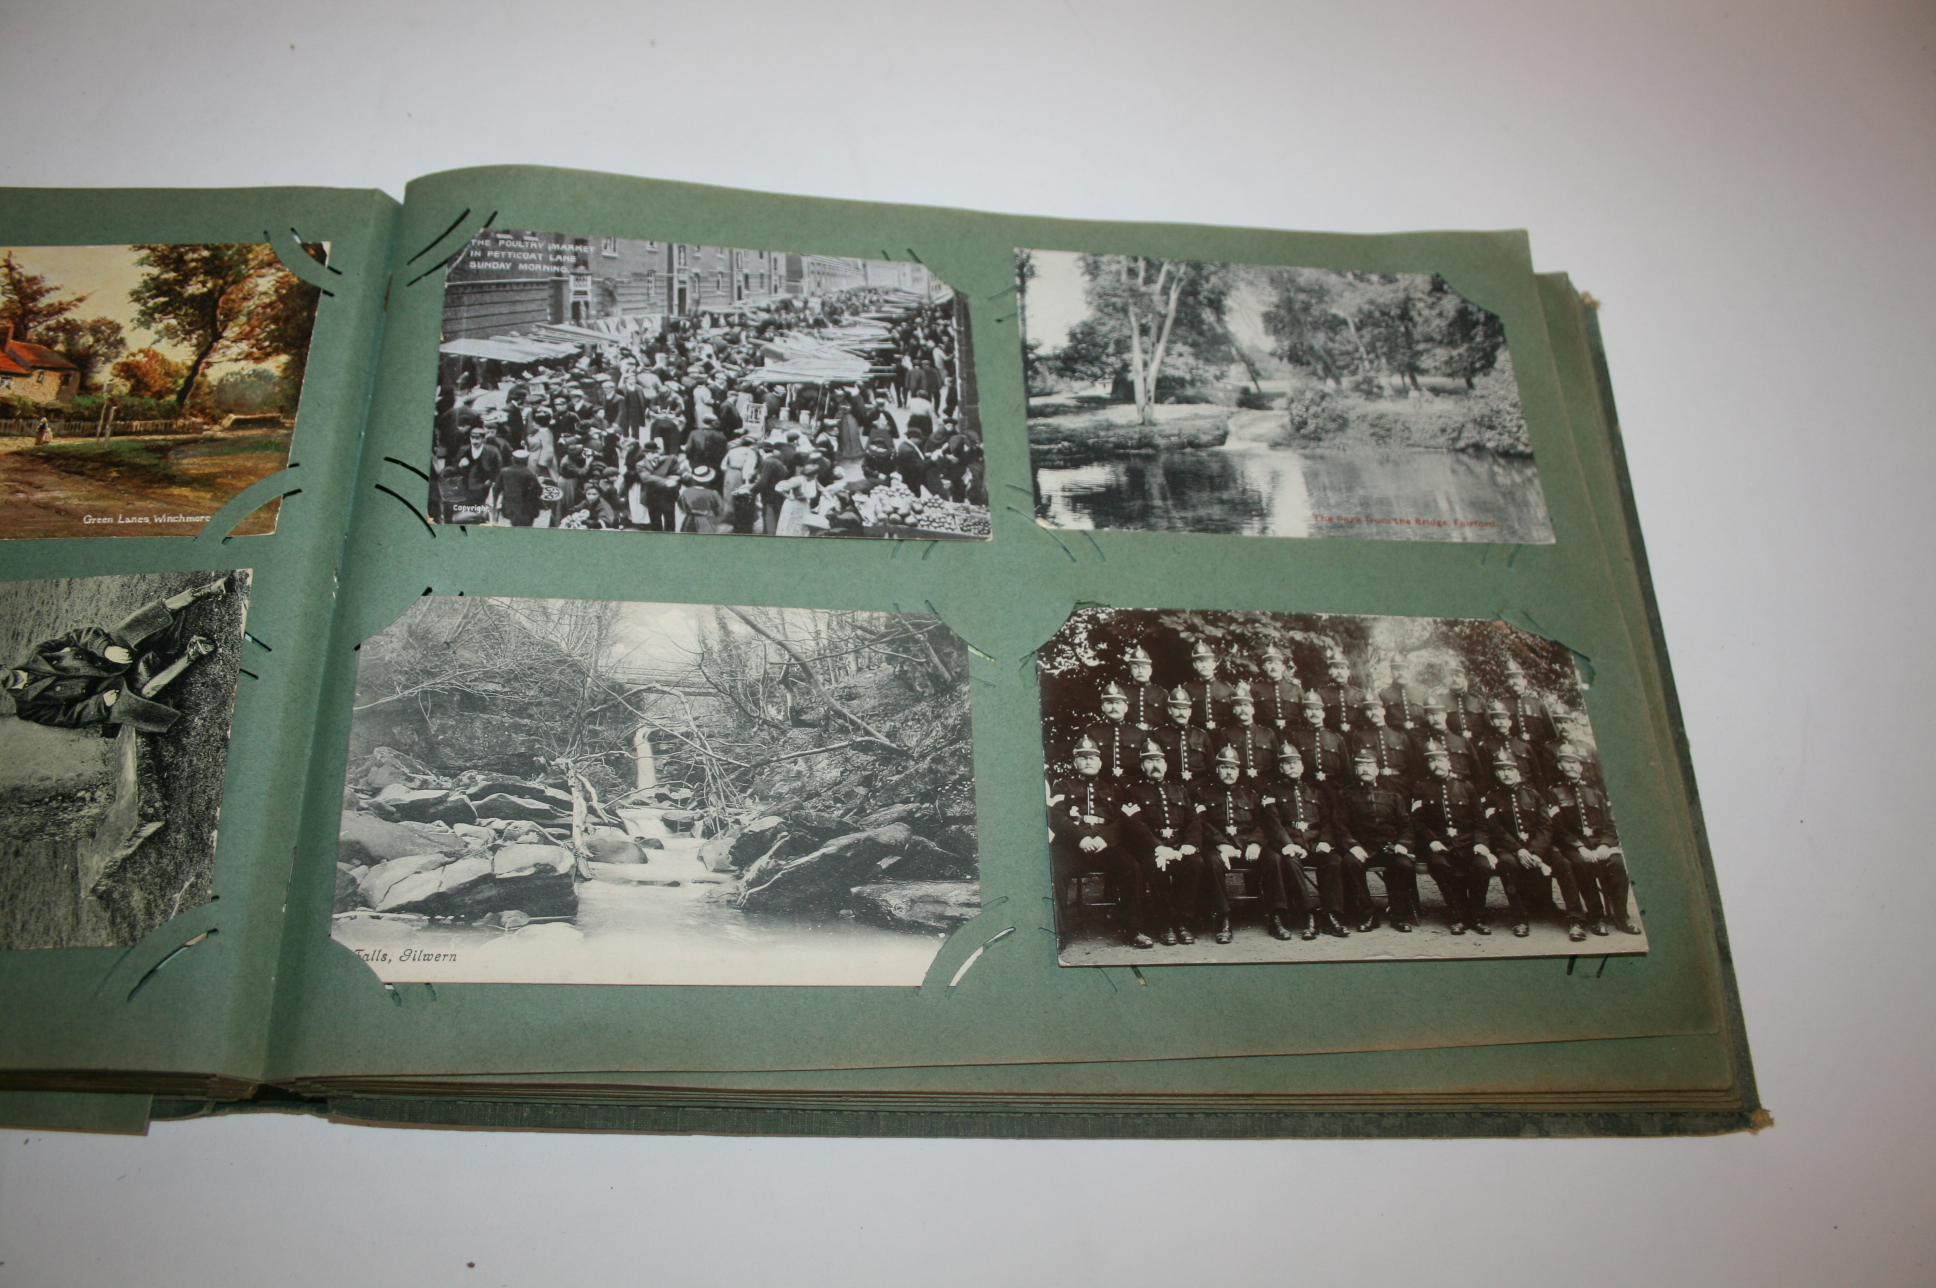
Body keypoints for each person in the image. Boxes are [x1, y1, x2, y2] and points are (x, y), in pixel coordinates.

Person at [3, 576, 229, 734]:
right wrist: (99, 703)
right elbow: (70, 717)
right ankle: (191, 655)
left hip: (108, 660)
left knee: (129, 629)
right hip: (106, 691)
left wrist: (105, 649)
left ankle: (202, 592)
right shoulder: (28, 708)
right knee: (135, 701)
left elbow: (78, 636)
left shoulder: (38, 655)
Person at [1048, 735, 1150, 949]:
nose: (1087, 761)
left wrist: (1105, 838)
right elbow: (1056, 817)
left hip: (1106, 848)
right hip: (1071, 846)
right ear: (1075, 762)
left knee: (1131, 867)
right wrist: (1081, 837)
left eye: (1092, 757)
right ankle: (1058, 932)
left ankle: (1134, 930)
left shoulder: (1114, 788)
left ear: (1100, 762)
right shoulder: (1062, 786)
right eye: (1082, 757)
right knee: (1054, 871)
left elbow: (1124, 821)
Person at [1116, 739, 1206, 948]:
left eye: (1158, 760)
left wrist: (1189, 844)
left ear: (1165, 764)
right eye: (1149, 761)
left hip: (1179, 845)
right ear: (1142, 766)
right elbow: (1135, 825)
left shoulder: (1180, 790)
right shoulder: (1133, 791)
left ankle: (1182, 922)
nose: (1155, 765)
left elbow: (1193, 820)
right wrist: (1158, 848)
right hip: (1151, 847)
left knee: (1195, 864)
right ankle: (1164, 924)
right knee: (1156, 867)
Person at [1547, 743, 1640, 937]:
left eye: (1575, 762)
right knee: (1581, 865)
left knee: (1616, 863)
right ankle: (1596, 917)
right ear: (1559, 766)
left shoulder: (1595, 793)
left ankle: (1622, 917)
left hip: (1599, 843)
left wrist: (1605, 845)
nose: (1571, 766)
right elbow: (1557, 829)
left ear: (1580, 767)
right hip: (1574, 844)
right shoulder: (1554, 793)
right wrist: (1580, 847)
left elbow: (1611, 826)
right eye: (1566, 762)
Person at [1329, 747, 1420, 932]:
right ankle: (1368, 913)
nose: (1364, 769)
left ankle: (1399, 915)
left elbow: (1406, 825)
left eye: (1369, 765)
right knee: (1349, 863)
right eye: (1360, 765)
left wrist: (1403, 845)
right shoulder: (1345, 794)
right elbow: (1340, 825)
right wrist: (1352, 846)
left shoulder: (1392, 794)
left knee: (1404, 865)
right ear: (1355, 770)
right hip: (1362, 848)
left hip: (1389, 848)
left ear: (1377, 769)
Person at [1195, 744, 1277, 944]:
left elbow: (1263, 823)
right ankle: (1224, 917)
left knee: (1273, 859)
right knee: (1212, 862)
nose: (1229, 771)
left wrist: (1256, 843)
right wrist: (1221, 844)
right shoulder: (1203, 794)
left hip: (1247, 845)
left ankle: (1276, 916)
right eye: (1224, 767)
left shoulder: (1250, 794)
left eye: (1232, 768)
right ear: (1217, 769)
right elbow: (1202, 824)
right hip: (1218, 847)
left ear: (1238, 771)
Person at [1262, 743, 1346, 939]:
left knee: (1334, 860)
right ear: (1281, 768)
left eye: (1295, 763)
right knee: (1291, 863)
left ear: (1302, 766)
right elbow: (1272, 822)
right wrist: (1288, 844)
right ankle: (1309, 915)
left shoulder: (1315, 791)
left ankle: (1331, 915)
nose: (1292, 767)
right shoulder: (1272, 790)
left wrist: (1325, 841)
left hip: (1314, 843)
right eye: (1287, 763)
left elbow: (1326, 820)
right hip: (1290, 843)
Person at [1477, 748, 1561, 939]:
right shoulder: (1491, 798)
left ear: (1518, 772)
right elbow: (1496, 829)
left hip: (1537, 848)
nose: (1506, 773)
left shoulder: (1534, 795)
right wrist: (1519, 850)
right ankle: (1520, 919)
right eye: (1501, 769)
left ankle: (1576, 918)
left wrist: (1536, 852)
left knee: (1562, 863)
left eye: (1509, 769)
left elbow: (1545, 827)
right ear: (1496, 773)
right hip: (1509, 849)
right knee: (1507, 863)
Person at [1411, 741, 1492, 934]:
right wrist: (1431, 840)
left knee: (1482, 866)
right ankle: (1458, 915)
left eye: (1440, 759)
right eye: (1431, 761)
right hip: (1439, 843)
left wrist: (1480, 843)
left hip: (1468, 843)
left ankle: (1477, 916)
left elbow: (1480, 821)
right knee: (1439, 865)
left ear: (1448, 762)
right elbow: (1417, 822)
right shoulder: (1421, 788)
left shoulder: (1467, 787)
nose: (1436, 764)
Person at [1080, 681, 1147, 780]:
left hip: (1132, 783)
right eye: (1109, 703)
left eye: (1118, 703)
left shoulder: (1138, 733)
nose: (1114, 707)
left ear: (1126, 707)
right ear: (1103, 707)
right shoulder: (1092, 730)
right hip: (1102, 784)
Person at [1151, 686, 1213, 783]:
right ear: (1169, 710)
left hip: (1198, 786)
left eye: (1184, 708)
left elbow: (1211, 767)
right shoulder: (1159, 734)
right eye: (1177, 708)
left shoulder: (1201, 735)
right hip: (1172, 786)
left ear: (1190, 711)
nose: (1181, 713)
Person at [1284, 690, 1350, 782]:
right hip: (1308, 788)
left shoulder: (1336, 738)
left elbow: (1347, 770)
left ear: (1323, 714)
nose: (1314, 713)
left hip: (1333, 787)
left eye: (1317, 709)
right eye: (1310, 709)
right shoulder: (1296, 737)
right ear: (1304, 713)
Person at [1218, 683, 1278, 780]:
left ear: (1253, 709)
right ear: (1233, 710)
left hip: (1265, 782)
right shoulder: (1226, 733)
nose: (1243, 709)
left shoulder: (1267, 733)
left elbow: (1276, 764)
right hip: (1239, 783)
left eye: (1246, 705)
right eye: (1238, 705)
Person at [1346, 695, 1411, 783]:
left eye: (1376, 708)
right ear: (1365, 713)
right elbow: (1355, 764)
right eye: (1369, 710)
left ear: (1383, 711)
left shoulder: (1399, 736)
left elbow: (1411, 765)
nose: (1373, 712)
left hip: (1398, 783)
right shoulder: (1359, 736)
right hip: (1373, 783)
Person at [1182, 641, 1234, 730]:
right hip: (1197, 735)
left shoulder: (1226, 688)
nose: (1204, 665)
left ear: (1213, 664)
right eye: (1200, 662)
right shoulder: (1187, 688)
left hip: (1222, 734)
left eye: (1207, 661)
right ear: (1195, 665)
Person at [1314, 655, 1366, 734]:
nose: (1339, 672)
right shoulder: (1321, 694)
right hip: (1331, 739)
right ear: (1330, 671)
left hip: (1356, 738)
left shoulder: (1359, 694)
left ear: (1348, 672)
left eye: (1342, 668)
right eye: (1335, 668)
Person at [1255, 644, 1302, 730]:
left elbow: (1305, 714)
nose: (1273, 667)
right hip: (1266, 733)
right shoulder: (1256, 689)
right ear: (1264, 667)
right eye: (1269, 663)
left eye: (1276, 663)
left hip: (1292, 732)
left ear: (1282, 667)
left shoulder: (1295, 688)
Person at [496, 449, 544, 527]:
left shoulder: (504, 471)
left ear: (513, 459)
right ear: (526, 460)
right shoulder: (529, 474)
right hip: (525, 510)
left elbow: (496, 489)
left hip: (509, 508)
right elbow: (538, 491)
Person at [1123, 644, 1166, 730]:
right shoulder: (1123, 692)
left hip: (1154, 737)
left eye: (1144, 667)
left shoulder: (1161, 694)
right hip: (1129, 736)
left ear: (1150, 671)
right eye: (1136, 667)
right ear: (1131, 671)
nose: (1140, 671)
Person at [1377, 658, 1428, 730]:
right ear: (1391, 672)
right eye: (1396, 670)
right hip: (1396, 736)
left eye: (1403, 670)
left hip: (1419, 735)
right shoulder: (1383, 694)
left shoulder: (1421, 693)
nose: (1400, 673)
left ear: (1408, 671)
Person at [679, 465, 727, 533]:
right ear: (708, 481)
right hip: (706, 520)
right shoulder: (712, 493)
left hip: (689, 520)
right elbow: (720, 509)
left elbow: (682, 507)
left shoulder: (686, 492)